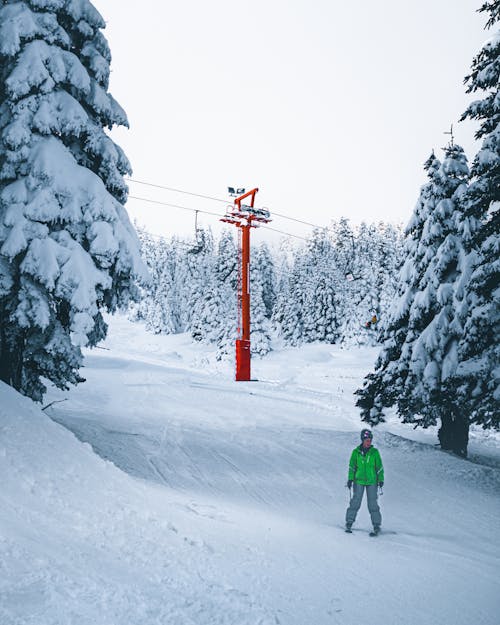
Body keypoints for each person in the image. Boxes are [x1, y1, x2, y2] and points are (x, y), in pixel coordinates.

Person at [345, 428, 384, 534]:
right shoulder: (356, 452)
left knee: (372, 503)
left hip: (372, 481)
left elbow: (379, 467)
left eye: (370, 440)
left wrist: (380, 479)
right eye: (367, 440)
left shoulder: (374, 452)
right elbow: (352, 467)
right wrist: (350, 479)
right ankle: (349, 522)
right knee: (355, 502)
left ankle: (376, 525)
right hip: (359, 481)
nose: (369, 442)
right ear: (362, 440)